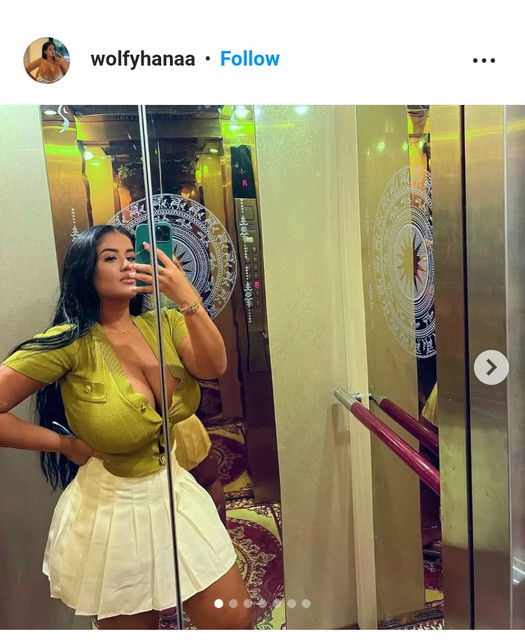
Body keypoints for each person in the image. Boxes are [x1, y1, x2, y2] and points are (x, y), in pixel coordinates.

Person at [0, 225, 251, 630]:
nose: (127, 264)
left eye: (132, 256)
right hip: (112, 511)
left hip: (175, 493)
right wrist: (65, 445)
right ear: (85, 271)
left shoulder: (164, 324)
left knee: (233, 620)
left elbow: (213, 366)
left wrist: (186, 298)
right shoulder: (70, 342)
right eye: (110, 257)